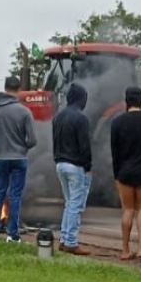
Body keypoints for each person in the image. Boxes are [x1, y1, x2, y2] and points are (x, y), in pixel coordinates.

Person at [110, 86, 141, 262]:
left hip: (124, 173)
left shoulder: (116, 122)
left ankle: (124, 250)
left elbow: (114, 152)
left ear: (126, 101)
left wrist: (117, 175)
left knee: (128, 210)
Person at [0, 76, 37, 243]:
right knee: (15, 196)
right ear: (19, 89)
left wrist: (0, 143)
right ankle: (11, 234)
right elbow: (33, 140)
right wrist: (21, 147)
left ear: (5, 87)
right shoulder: (24, 111)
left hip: (1, 158)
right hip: (19, 158)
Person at [53, 82, 92, 256]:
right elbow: (85, 146)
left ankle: (63, 239)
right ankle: (70, 242)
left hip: (60, 164)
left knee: (69, 204)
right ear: (81, 99)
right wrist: (88, 166)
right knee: (76, 205)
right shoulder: (81, 119)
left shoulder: (58, 117)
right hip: (75, 166)